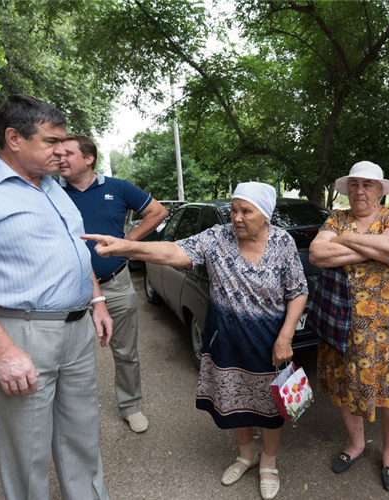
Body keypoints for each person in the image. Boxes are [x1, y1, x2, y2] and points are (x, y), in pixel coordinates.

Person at [0, 95, 113, 500]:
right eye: (51, 141)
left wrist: (96, 301)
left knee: (82, 434)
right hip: (20, 334)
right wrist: (2, 352)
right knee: (26, 451)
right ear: (13, 138)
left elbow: (76, 249)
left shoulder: (53, 188)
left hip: (77, 331)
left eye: (64, 142)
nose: (62, 151)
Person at [83, 182, 308, 500]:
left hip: (270, 343)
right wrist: (124, 247)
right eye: (234, 210)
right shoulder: (218, 238)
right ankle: (247, 455)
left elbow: (298, 291)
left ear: (266, 214)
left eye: (246, 211)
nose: (237, 218)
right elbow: (173, 251)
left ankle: (268, 463)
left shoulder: (282, 242)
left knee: (270, 408)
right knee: (232, 404)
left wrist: (285, 337)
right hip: (225, 341)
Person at [309, 161, 389, 493]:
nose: (360, 191)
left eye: (368, 185)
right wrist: (374, 247)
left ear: (380, 190)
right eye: (354, 184)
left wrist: (345, 240)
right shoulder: (336, 217)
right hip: (342, 324)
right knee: (344, 388)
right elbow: (317, 254)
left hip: (388, 328)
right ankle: (355, 445)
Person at [59, 133, 167, 433]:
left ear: (88, 158)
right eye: (58, 153)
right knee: (71, 356)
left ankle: (131, 406)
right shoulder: (50, 192)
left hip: (116, 284)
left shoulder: (117, 188)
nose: (60, 158)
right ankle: (74, 415)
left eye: (67, 153)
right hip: (70, 288)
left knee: (125, 352)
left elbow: (158, 212)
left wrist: (128, 241)